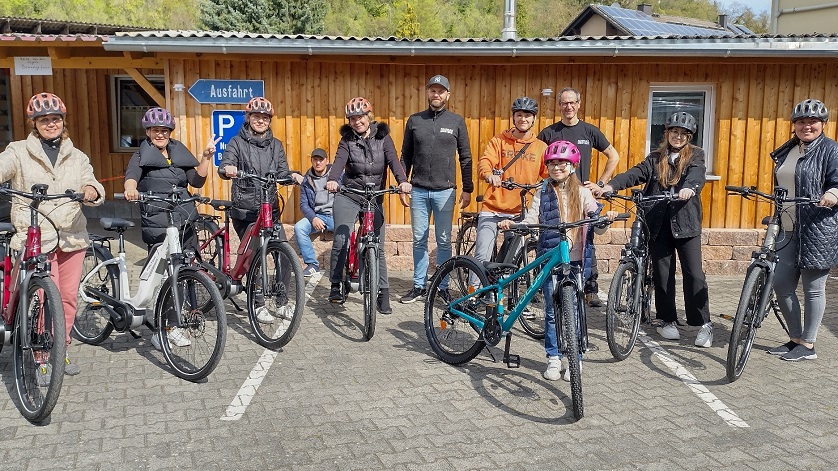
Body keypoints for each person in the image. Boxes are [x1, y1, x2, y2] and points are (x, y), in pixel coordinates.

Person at [0, 92, 105, 376]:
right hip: (37, 235)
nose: (50, 124)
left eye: (55, 119)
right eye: (44, 120)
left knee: (68, 298)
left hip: (72, 234)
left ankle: (61, 350)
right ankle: (41, 353)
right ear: (35, 123)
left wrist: (92, 191)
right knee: (48, 297)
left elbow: (92, 181)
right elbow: (3, 167)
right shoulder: (18, 150)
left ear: (63, 121)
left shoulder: (77, 155)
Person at [593, 112, 713, 348]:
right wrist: (611, 185)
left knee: (694, 274)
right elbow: (635, 174)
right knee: (662, 273)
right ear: (666, 133)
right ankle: (667, 320)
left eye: (683, 134)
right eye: (674, 132)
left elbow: (697, 175)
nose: (678, 137)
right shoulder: (655, 157)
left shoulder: (695, 156)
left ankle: (703, 325)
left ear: (689, 137)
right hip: (658, 222)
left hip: (686, 223)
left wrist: (689, 188)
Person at [499, 141, 613, 381]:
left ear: (571, 166)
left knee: (574, 312)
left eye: (561, 163)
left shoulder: (582, 192)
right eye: (551, 163)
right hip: (550, 259)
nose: (556, 167)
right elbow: (531, 218)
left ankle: (575, 360)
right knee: (551, 311)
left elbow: (597, 222)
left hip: (574, 262)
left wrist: (605, 219)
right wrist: (516, 225)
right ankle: (553, 358)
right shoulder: (543, 191)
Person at [124, 106, 217, 348]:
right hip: (159, 221)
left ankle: (175, 324)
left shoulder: (178, 152)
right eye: (156, 130)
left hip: (183, 222)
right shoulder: (140, 155)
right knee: (165, 277)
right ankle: (164, 329)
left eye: (164, 130)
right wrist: (130, 188)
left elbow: (196, 181)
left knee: (184, 274)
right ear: (148, 131)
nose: (160, 134)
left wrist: (206, 157)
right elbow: (132, 175)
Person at [217, 96, 302, 323]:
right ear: (249, 118)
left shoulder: (276, 145)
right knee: (254, 256)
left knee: (284, 255)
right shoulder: (237, 142)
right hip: (246, 212)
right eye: (257, 116)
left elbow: (282, 172)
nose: (261, 121)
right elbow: (224, 165)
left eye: (265, 118)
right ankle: (257, 304)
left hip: (269, 211)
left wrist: (291, 175)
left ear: (269, 121)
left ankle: (282, 301)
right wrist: (228, 169)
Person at [765, 99, 838, 361]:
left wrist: (832, 192)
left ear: (822, 124)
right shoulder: (789, 149)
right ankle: (795, 338)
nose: (807, 125)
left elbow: (837, 180)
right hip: (787, 226)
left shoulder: (831, 150)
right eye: (801, 121)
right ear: (794, 125)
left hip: (817, 227)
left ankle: (808, 345)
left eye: (813, 121)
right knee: (781, 284)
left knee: (813, 289)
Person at [326, 97, 411, 314]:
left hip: (374, 197)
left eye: (360, 117)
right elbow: (338, 162)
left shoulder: (383, 137)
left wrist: (402, 181)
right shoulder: (346, 140)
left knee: (379, 247)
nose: (356, 122)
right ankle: (336, 284)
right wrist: (333, 179)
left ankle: (382, 292)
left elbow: (394, 162)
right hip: (350, 194)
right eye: (352, 119)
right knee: (341, 238)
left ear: (368, 117)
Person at [537, 87, 620, 307]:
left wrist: (600, 184)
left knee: (586, 240)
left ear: (579, 104)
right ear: (559, 106)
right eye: (564, 103)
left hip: (581, 195)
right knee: (552, 240)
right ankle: (548, 282)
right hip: (555, 194)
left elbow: (613, 156)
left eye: (572, 102)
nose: (568, 106)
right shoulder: (549, 132)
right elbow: (538, 159)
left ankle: (590, 287)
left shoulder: (589, 131)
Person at [399, 74, 474, 304]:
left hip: (446, 192)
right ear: (427, 93)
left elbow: (466, 157)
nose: (436, 94)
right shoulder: (414, 121)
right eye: (433, 90)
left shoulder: (456, 121)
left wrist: (467, 188)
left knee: (443, 241)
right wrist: (403, 184)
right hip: (419, 190)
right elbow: (406, 156)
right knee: (419, 240)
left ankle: (442, 287)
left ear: (447, 95)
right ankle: (419, 286)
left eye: (441, 91)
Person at [470, 97, 547, 284]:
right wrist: (489, 175)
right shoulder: (499, 141)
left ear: (534, 119)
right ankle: (472, 295)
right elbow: (486, 161)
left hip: (519, 210)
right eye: (519, 115)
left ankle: (500, 293)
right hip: (493, 206)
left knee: (512, 258)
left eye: (527, 116)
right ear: (513, 118)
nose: (523, 119)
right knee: (482, 254)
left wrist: (546, 186)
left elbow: (547, 174)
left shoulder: (540, 147)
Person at [294, 148, 336, 277]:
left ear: (327, 161)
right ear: (312, 161)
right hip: (318, 216)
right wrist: (313, 218)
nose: (318, 163)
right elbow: (304, 204)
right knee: (299, 227)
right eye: (315, 160)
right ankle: (312, 265)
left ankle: (350, 267)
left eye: (321, 160)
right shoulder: (307, 179)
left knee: (348, 232)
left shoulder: (337, 174)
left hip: (337, 215)